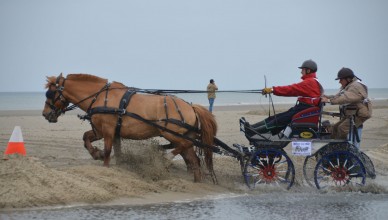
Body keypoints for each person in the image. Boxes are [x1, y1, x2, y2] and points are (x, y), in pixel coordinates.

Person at [245, 59, 323, 135]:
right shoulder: (313, 81)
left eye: (302, 69)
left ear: (308, 70)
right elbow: (293, 90)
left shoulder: (309, 82)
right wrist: (273, 90)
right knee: (275, 118)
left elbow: (290, 89)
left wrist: (273, 90)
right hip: (302, 107)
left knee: (279, 120)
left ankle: (253, 131)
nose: (301, 72)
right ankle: (252, 128)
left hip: (304, 108)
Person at [321, 67, 372, 148]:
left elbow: (345, 98)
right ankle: (333, 146)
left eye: (341, 79)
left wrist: (329, 101)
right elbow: (337, 96)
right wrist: (325, 97)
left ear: (348, 79)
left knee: (342, 128)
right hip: (352, 114)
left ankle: (342, 147)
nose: (339, 82)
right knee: (335, 127)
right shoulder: (348, 86)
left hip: (360, 114)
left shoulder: (355, 87)